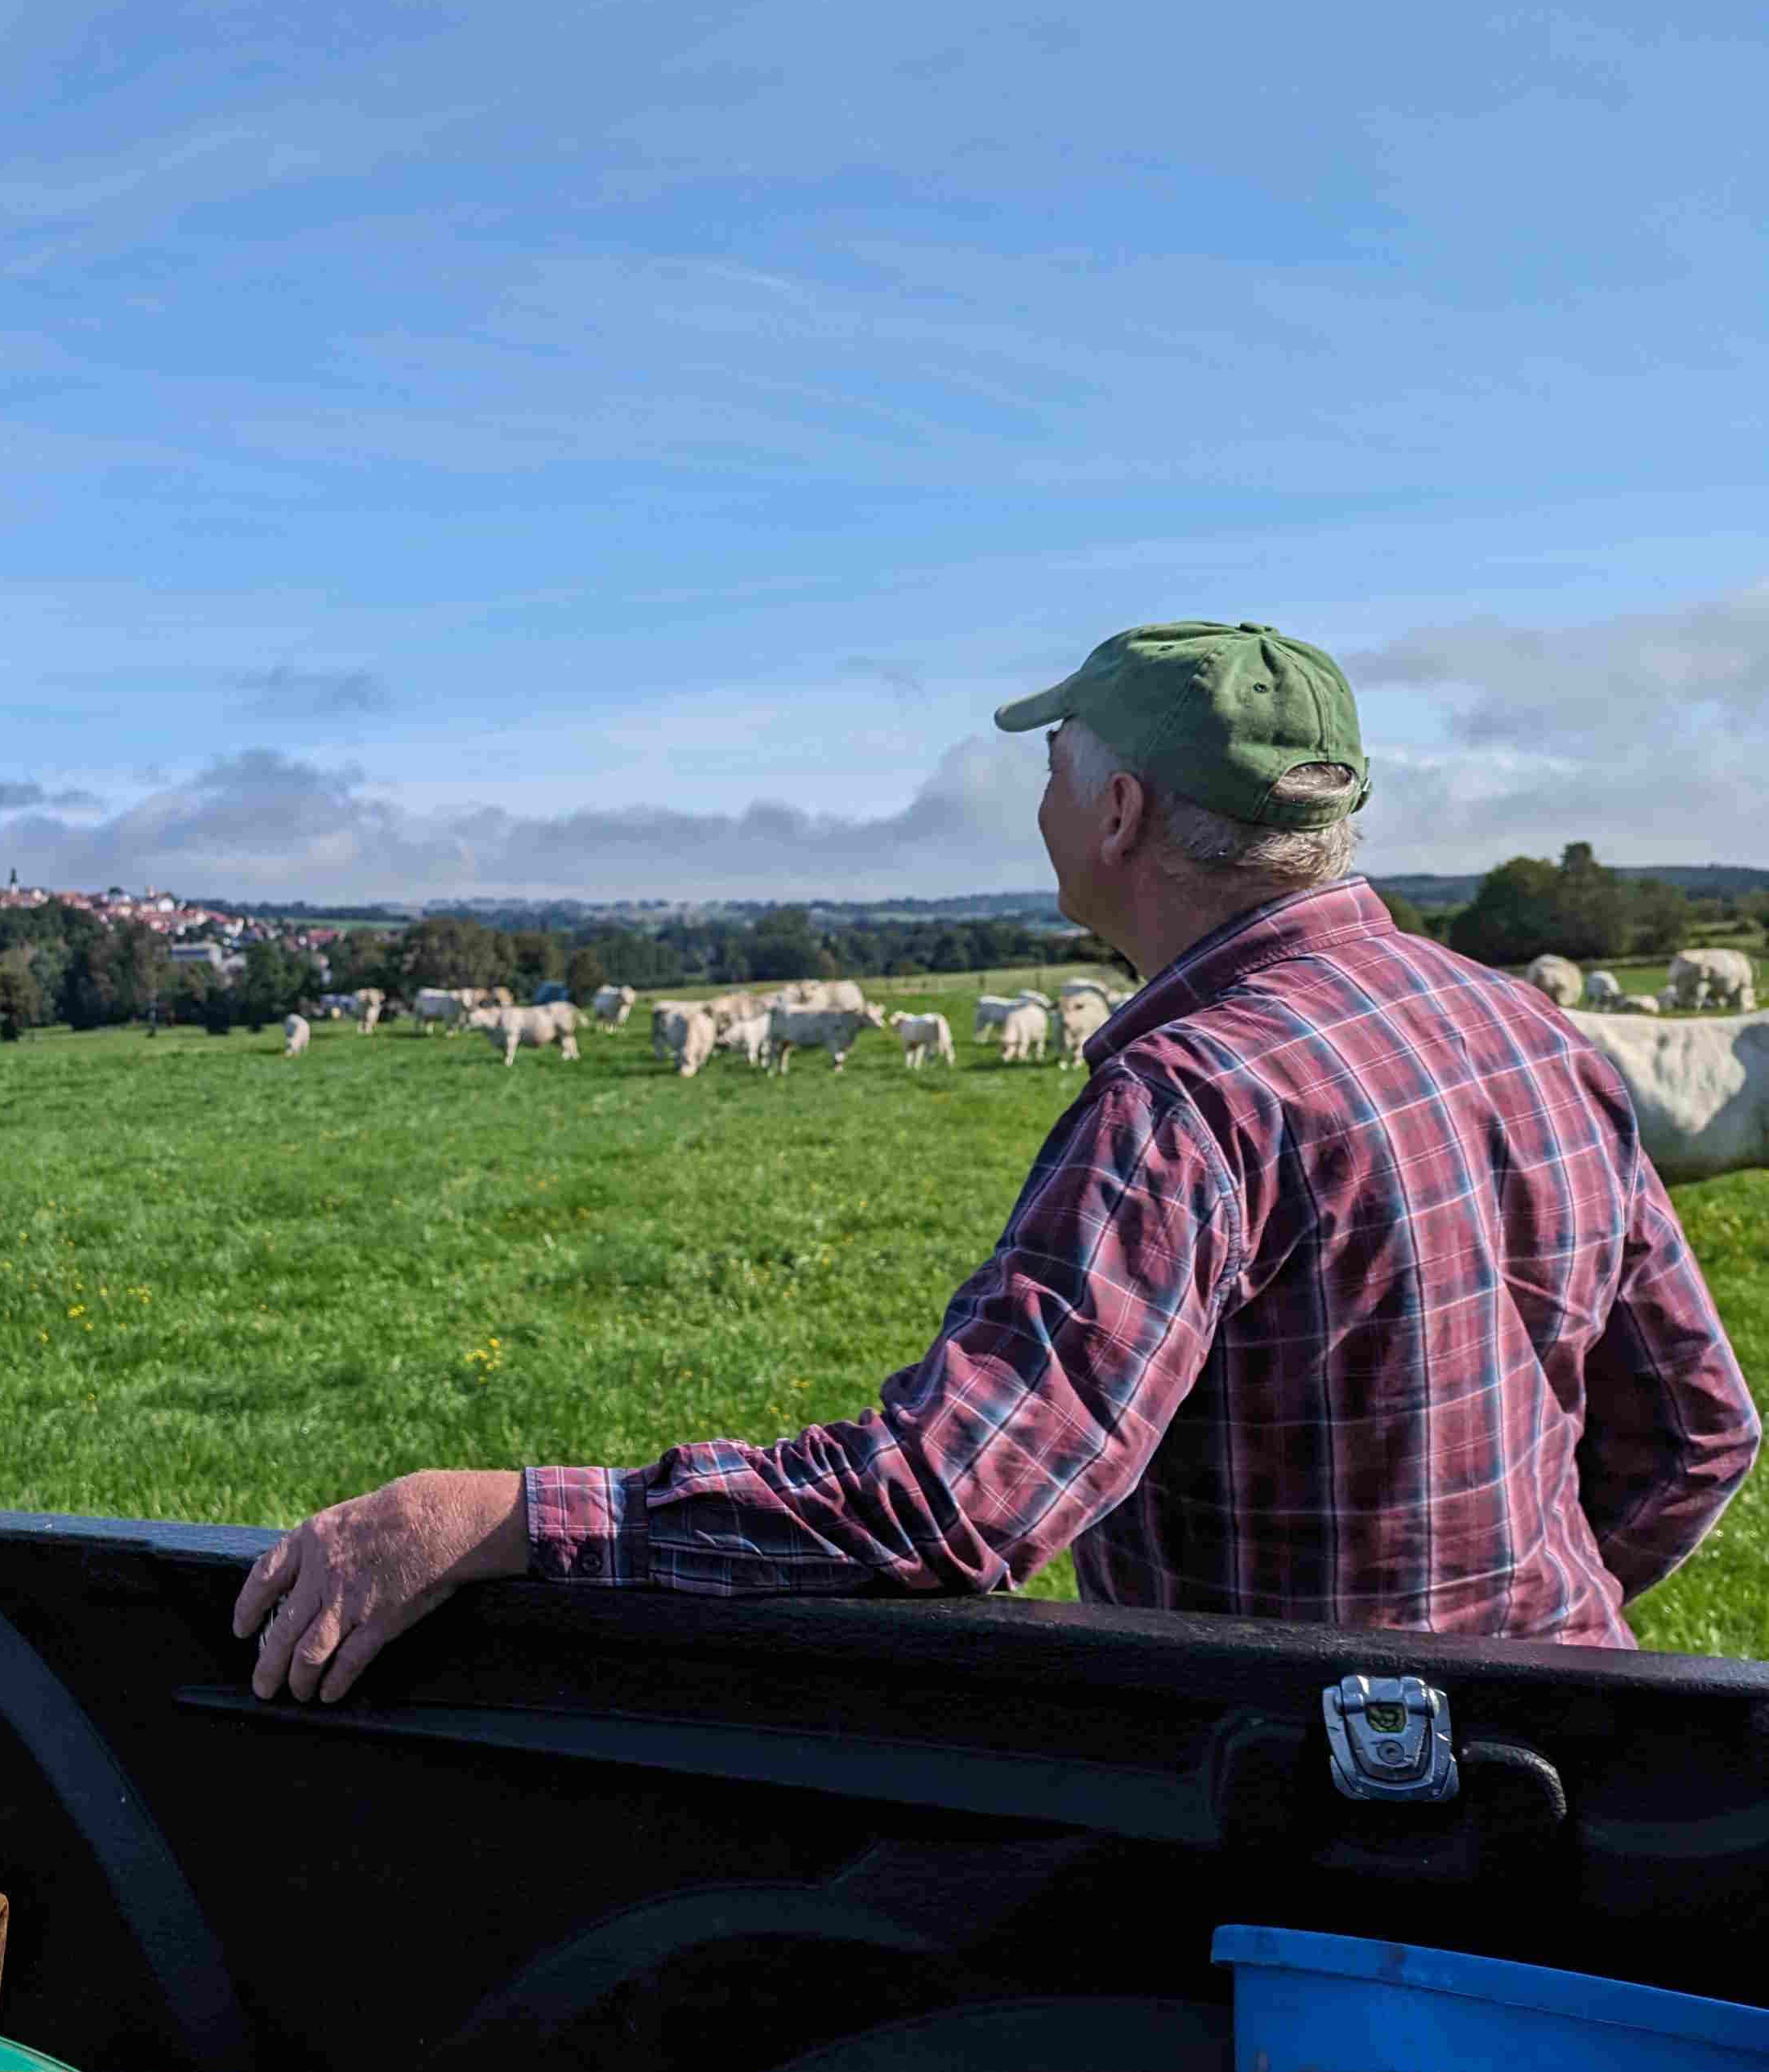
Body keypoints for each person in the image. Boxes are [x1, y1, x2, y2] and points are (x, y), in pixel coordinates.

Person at [238, 620, 1759, 1699]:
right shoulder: (1519, 1022)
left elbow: (945, 1502)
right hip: (1576, 1771)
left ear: (1118, 810)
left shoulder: (1197, 1092)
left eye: (1051, 769)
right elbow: (1697, 1428)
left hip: (1304, 1821)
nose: (1038, 803)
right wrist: (1537, 1648)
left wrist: (499, 1514)